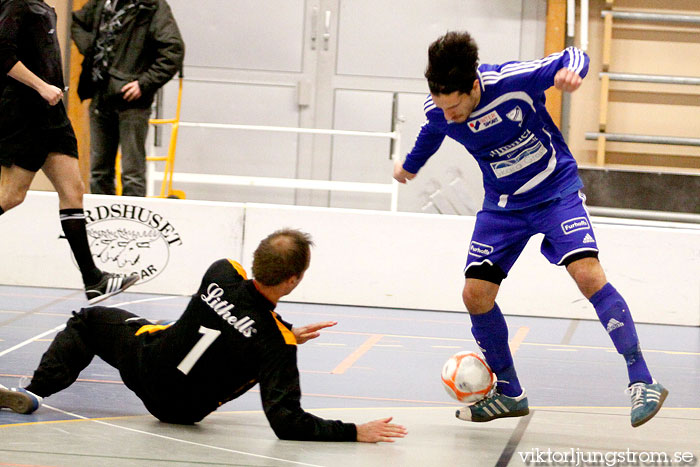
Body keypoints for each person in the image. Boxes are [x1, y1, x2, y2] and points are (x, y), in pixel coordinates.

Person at [394, 31, 667, 428]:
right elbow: (432, 131)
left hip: (556, 192)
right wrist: (411, 166)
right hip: (502, 207)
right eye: (442, 106)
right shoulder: (440, 111)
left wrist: (573, 72)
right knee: (475, 294)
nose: (450, 115)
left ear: (474, 86)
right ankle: (509, 393)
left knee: (587, 275)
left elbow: (573, 55)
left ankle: (643, 381)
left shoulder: (510, 81)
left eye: (455, 107)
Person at [0, 229, 409, 443]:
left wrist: (281, 335)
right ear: (292, 281)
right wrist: (354, 431)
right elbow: (287, 422)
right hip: (179, 412)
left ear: (254, 261)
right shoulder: (275, 343)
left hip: (144, 364)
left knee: (88, 322)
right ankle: (33, 392)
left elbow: (236, 318)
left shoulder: (222, 271)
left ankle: (36, 391)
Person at [0, 0, 139, 303]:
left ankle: (94, 281)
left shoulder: (44, 6)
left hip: (52, 114)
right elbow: (3, 56)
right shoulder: (16, 4)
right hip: (25, 112)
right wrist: (41, 87)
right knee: (11, 196)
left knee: (74, 191)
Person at [71, 0, 184, 196]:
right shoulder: (102, 2)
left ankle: (132, 226)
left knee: (132, 172)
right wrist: (90, 47)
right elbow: (77, 22)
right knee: (99, 171)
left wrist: (144, 83)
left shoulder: (153, 6)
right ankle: (101, 225)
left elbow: (173, 50)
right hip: (100, 94)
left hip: (132, 102)